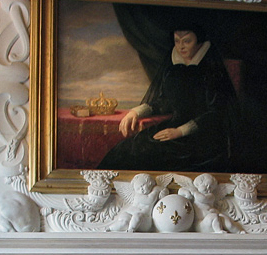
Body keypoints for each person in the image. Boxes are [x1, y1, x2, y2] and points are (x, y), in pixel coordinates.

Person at [98, 25, 238, 172]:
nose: (181, 46)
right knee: (129, 148)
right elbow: (165, 102)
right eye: (177, 41)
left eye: (187, 41)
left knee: (158, 156)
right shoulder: (173, 69)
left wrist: (180, 131)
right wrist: (136, 112)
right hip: (174, 126)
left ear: (199, 42)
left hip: (204, 135)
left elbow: (216, 113)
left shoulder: (211, 70)